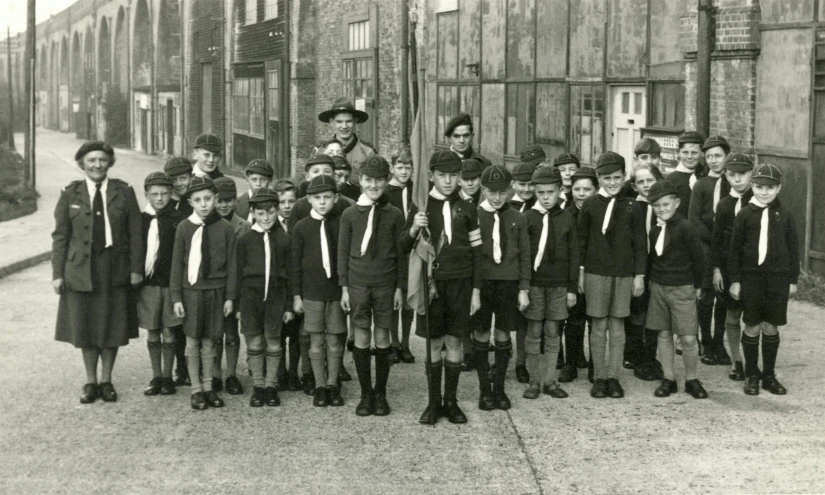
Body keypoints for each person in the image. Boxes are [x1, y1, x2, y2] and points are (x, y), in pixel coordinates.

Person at [52, 141, 143, 404]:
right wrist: (57, 273)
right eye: (91, 160)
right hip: (80, 268)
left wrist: (136, 269)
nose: (97, 165)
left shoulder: (124, 192)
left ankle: (107, 380)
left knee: (112, 324)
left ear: (109, 163)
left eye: (102, 160)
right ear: (82, 163)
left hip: (114, 267)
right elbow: (60, 236)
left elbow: (136, 234)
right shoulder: (70, 193)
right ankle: (90, 381)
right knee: (85, 324)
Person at [401, 150, 482, 425]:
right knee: (434, 341)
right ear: (431, 176)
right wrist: (414, 228)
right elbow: (401, 246)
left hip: (461, 283)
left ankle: (451, 401)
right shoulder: (422, 206)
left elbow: (477, 253)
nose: (448, 181)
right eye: (441, 175)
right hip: (432, 285)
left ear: (460, 176)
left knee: (454, 341)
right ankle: (433, 402)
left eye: (453, 175)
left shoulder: (468, 208)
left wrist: (476, 291)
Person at [339, 155, 407, 416]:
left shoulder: (394, 214)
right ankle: (365, 394)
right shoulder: (350, 214)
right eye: (369, 179)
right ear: (360, 180)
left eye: (379, 180)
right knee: (361, 334)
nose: (374, 185)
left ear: (387, 181)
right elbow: (343, 254)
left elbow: (401, 253)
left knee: (382, 335)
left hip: (385, 284)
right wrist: (344, 288)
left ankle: (380, 392)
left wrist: (400, 287)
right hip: (358, 284)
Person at [578, 151, 647, 399]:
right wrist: (581, 274)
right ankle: (599, 378)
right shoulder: (590, 205)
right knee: (598, 326)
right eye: (606, 178)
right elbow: (581, 242)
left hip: (624, 273)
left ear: (624, 176)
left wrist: (639, 275)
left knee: (617, 326)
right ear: (598, 178)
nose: (612, 182)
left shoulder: (633, 206)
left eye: (617, 177)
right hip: (596, 273)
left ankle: (614, 377)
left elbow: (640, 243)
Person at [728, 164, 799, 396]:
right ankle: (751, 374)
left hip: (777, 279)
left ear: (778, 188)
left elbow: (793, 248)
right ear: (752, 186)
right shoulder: (744, 215)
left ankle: (768, 375)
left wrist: (792, 279)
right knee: (752, 325)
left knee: (771, 326)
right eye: (759, 187)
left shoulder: (785, 215)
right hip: (751, 278)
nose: (764, 192)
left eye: (769, 188)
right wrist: (735, 280)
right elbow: (735, 251)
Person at [170, 176, 238, 410]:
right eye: (197, 200)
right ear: (190, 201)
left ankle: (209, 387)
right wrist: (176, 297)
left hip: (216, 291)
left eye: (208, 198)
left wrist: (230, 297)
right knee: (192, 340)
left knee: (211, 341)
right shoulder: (184, 228)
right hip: (191, 292)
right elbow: (177, 265)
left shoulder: (226, 228)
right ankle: (196, 389)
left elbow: (232, 265)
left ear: (215, 199)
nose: (203, 204)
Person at [289, 154, 355, 389]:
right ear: (309, 199)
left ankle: (332, 383)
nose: (323, 202)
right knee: (315, 340)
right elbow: (295, 264)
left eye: (328, 197)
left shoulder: (343, 223)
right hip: (312, 292)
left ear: (336, 197)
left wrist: (347, 290)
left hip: (336, 291)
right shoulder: (301, 227)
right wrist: (297, 296)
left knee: (336, 341)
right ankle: (318, 385)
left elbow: (348, 259)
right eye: (317, 198)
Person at [472, 165, 531, 410]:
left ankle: (500, 388)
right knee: (482, 333)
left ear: (509, 190)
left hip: (508, 283)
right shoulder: (474, 215)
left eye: (502, 192)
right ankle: (484, 389)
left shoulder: (518, 217)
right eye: (492, 192)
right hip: (483, 283)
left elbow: (525, 255)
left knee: (504, 334)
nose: (497, 197)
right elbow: (472, 256)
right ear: (483, 189)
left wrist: (524, 288)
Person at [645, 180, 709, 399]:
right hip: (659, 287)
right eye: (657, 206)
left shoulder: (686, 228)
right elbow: (652, 259)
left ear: (677, 202)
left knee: (689, 338)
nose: (662, 209)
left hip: (683, 288)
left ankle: (692, 379)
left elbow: (699, 259)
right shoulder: (655, 230)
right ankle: (669, 378)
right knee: (664, 334)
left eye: (666, 204)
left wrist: (698, 286)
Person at [521, 167, 578, 400]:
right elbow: (524, 255)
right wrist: (523, 287)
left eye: (550, 192)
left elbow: (574, 254)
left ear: (560, 191)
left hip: (558, 284)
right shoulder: (527, 218)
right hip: (535, 283)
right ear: (535, 191)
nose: (546, 197)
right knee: (534, 330)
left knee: (553, 330)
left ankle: (550, 380)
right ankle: (534, 380)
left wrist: (572, 288)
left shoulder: (567, 217)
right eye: (541, 192)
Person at [237, 187, 294, 407]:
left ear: (277, 210)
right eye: (260, 213)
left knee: (273, 340)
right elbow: (238, 272)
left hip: (276, 296)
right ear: (252, 213)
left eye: (270, 212)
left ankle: (271, 385)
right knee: (254, 339)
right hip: (251, 295)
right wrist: (237, 303)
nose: (266, 217)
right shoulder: (245, 240)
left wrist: (289, 305)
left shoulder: (284, 240)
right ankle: (258, 386)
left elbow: (290, 275)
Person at [139, 172, 186, 397]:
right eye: (155, 194)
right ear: (146, 194)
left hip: (169, 284)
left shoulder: (178, 220)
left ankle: (168, 377)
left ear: (171, 194)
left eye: (165, 194)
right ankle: (156, 376)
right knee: (152, 331)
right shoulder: (141, 220)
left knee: (169, 331)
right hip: (148, 285)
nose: (160, 198)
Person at [710, 153, 754, 381]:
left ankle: (753, 361)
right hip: (729, 268)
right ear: (726, 176)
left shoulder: (758, 201)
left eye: (742, 175)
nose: (737, 180)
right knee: (732, 314)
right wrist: (716, 268)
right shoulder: (724, 205)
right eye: (731, 175)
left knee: (754, 316)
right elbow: (716, 240)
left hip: (753, 269)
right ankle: (737, 360)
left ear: (751, 174)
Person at [690, 135, 732, 366]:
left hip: (726, 250)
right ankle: (706, 342)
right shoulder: (701, 185)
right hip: (706, 248)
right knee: (706, 297)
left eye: (718, 156)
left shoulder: (732, 185)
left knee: (723, 298)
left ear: (726, 156)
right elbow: (694, 218)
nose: (714, 161)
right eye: (709, 157)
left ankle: (719, 342)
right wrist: (713, 240)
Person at [625, 162, 665, 382]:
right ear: (634, 185)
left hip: (659, 268)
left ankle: (651, 356)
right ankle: (637, 356)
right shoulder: (632, 207)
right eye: (641, 181)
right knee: (637, 313)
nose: (646, 185)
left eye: (650, 180)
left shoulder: (664, 207)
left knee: (655, 314)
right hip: (638, 268)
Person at [212, 177, 252, 395]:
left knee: (232, 334)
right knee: (215, 333)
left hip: (236, 288)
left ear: (235, 201)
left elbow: (247, 260)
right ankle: (215, 374)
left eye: (228, 200)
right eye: (219, 200)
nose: (223, 205)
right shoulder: (208, 224)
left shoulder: (244, 226)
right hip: (215, 288)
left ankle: (231, 375)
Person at [559, 167, 597, 384]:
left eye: (587, 189)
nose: (581, 194)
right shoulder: (566, 214)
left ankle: (595, 365)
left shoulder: (601, 212)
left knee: (595, 321)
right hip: (573, 275)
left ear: (595, 189)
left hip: (596, 274)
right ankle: (570, 363)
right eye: (577, 189)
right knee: (573, 321)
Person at [163, 156, 194, 385]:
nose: (180, 183)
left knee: (189, 323)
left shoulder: (192, 203)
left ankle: (189, 367)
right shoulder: (165, 203)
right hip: (170, 270)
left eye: (184, 178)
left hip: (190, 269)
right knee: (173, 323)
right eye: (174, 180)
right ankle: (178, 369)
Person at [387, 148, 417, 364]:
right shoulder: (386, 192)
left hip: (412, 251)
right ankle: (393, 343)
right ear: (392, 168)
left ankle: (406, 343)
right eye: (400, 167)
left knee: (408, 300)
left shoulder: (418, 191)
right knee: (392, 300)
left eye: (408, 167)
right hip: (391, 251)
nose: (404, 171)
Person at [273, 179, 303, 391]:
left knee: (295, 333)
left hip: (296, 285)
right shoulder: (271, 227)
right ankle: (280, 372)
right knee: (278, 332)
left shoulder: (300, 226)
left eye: (291, 201)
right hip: (276, 288)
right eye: (281, 201)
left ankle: (294, 372)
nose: (286, 206)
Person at [318, 97, 376, 194]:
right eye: (339, 122)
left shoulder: (367, 152)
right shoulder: (322, 151)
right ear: (332, 122)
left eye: (348, 121)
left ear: (355, 121)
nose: (344, 126)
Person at [666, 131, 705, 219]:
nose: (689, 157)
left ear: (702, 153)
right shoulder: (670, 180)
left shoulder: (706, 176)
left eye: (694, 152)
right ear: (679, 152)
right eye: (685, 152)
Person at [235, 159, 274, 223]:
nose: (258, 184)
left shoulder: (275, 203)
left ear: (270, 180)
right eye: (254, 179)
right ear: (247, 179)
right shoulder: (238, 204)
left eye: (263, 180)